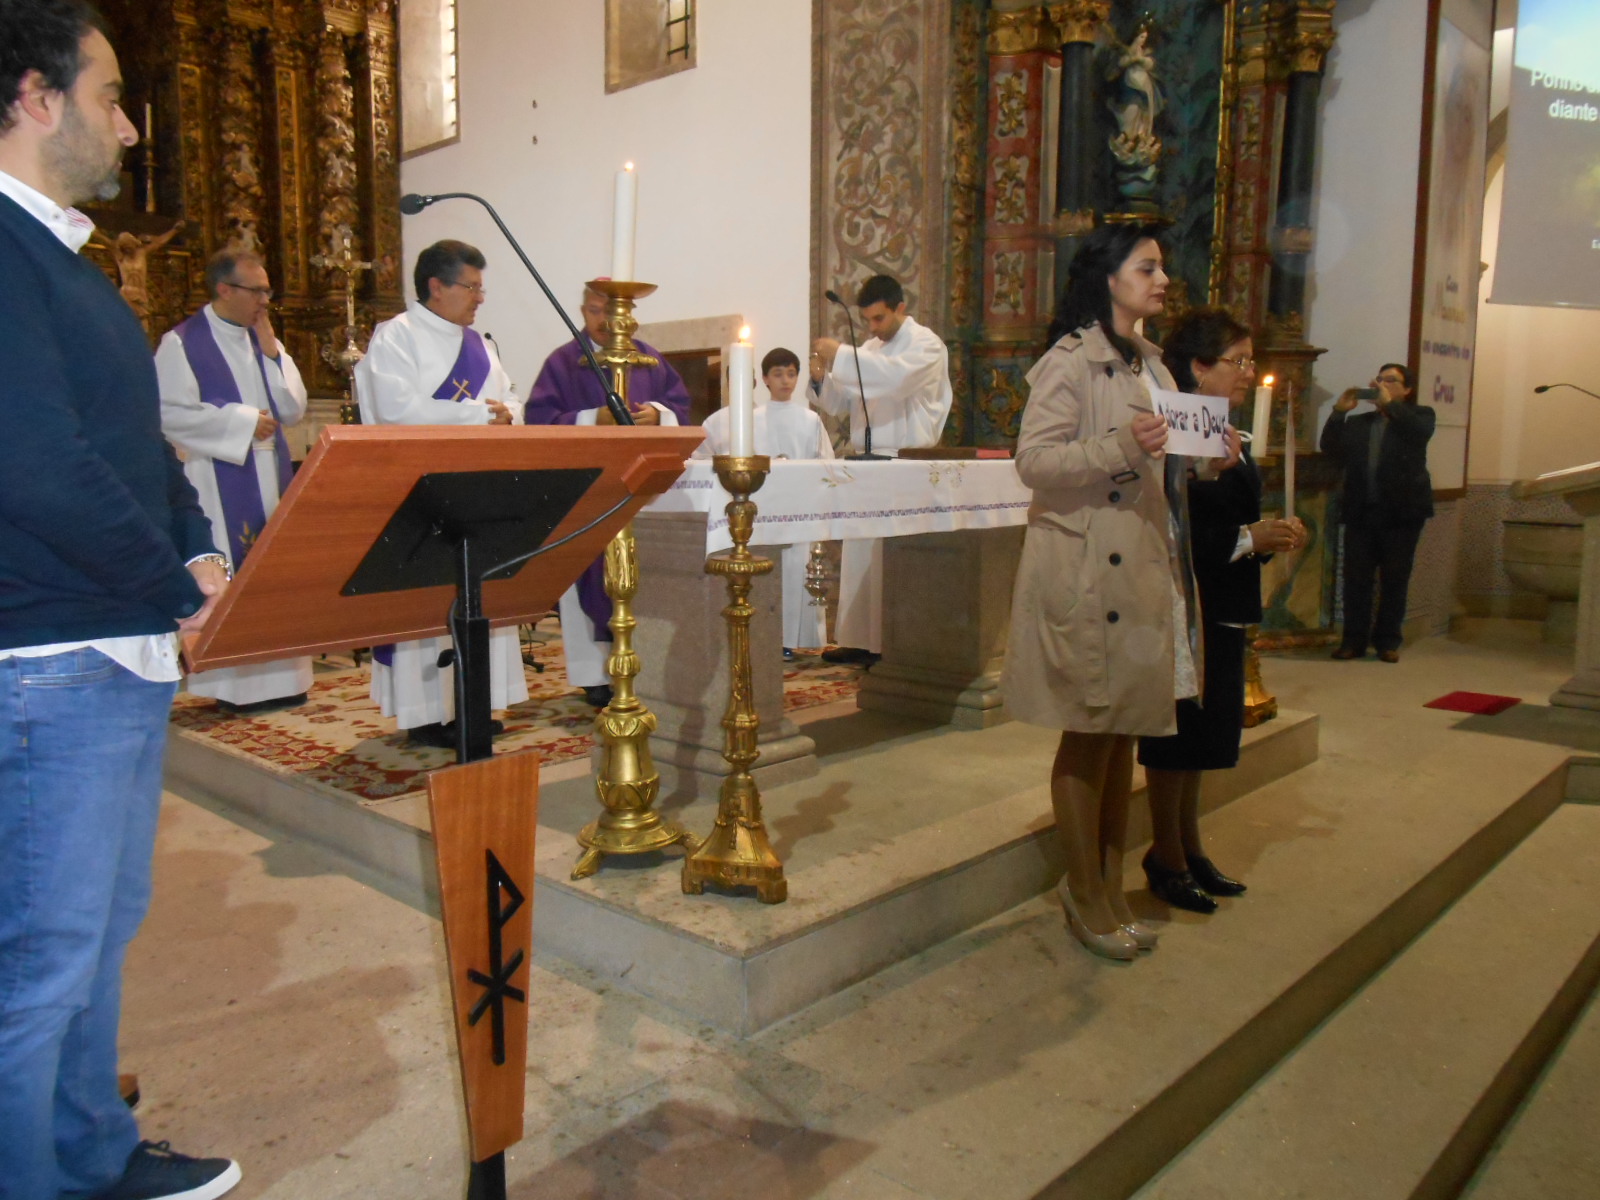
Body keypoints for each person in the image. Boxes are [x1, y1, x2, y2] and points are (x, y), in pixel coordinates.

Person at [0, 3, 241, 1196]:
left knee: (96, 934)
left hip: (113, 643)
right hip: (52, 655)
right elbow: (37, 465)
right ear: (36, 98)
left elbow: (136, 446)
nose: (131, 127)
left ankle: (91, 1156)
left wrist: (195, 550)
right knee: (42, 965)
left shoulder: (63, 259)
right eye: (108, 96)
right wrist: (167, 585)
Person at [1000, 222, 1198, 963]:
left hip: (1140, 560)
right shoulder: (1071, 360)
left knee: (1121, 734)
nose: (1162, 280)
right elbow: (1034, 461)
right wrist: (1120, 447)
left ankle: (1110, 888)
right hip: (1087, 568)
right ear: (1109, 277)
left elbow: (1161, 459)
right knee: (1089, 733)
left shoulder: (1152, 362)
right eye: (1147, 267)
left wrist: (1205, 457)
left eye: (1162, 268)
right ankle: (1083, 892)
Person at [1137, 309, 1305, 913]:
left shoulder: (1225, 432)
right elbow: (1172, 530)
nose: (1249, 372)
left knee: (1205, 739)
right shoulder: (1176, 434)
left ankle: (1189, 846)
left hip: (1225, 600)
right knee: (1177, 737)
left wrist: (1269, 536)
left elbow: (1234, 517)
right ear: (1199, 367)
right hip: (1187, 600)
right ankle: (1166, 854)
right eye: (1239, 360)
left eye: (1251, 361)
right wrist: (1248, 538)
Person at [354, 239, 528, 747]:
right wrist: (478, 415)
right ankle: (426, 712)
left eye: (480, 288)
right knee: (426, 592)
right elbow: (396, 410)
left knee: (478, 589)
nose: (480, 298)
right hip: (420, 490)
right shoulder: (396, 337)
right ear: (436, 286)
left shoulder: (481, 346)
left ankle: (475, 702)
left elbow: (510, 399)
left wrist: (507, 414)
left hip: (478, 487)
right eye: (471, 287)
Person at [156, 248, 311, 712]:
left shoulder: (260, 340)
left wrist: (271, 349)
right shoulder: (181, 344)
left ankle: (285, 680)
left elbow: (292, 409)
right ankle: (234, 687)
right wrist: (242, 422)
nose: (265, 300)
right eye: (256, 291)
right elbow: (168, 413)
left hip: (272, 476)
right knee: (233, 570)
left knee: (275, 575)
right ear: (224, 289)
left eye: (267, 290)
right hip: (216, 477)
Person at [524, 283, 689, 708]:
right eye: (596, 310)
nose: (606, 321)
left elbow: (680, 408)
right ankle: (594, 676)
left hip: (640, 491)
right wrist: (589, 419)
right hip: (586, 492)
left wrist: (659, 415)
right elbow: (538, 421)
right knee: (586, 576)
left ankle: (642, 663)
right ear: (583, 311)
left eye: (613, 311)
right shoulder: (564, 362)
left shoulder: (649, 358)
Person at [809, 274, 953, 663]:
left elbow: (893, 380)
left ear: (900, 308)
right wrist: (821, 378)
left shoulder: (926, 345)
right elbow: (841, 402)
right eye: (867, 320)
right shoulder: (870, 350)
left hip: (905, 461)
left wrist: (840, 354)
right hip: (867, 461)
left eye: (879, 318)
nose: (872, 328)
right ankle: (858, 640)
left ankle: (892, 642)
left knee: (890, 556)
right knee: (861, 552)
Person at [696, 347, 834, 655]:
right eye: (778, 374)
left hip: (798, 509)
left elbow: (826, 464)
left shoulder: (811, 420)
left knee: (797, 571)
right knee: (771, 574)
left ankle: (798, 639)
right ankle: (773, 639)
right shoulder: (750, 420)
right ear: (765, 379)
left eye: (792, 374)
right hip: (763, 511)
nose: (785, 381)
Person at [1321, 363, 1435, 663]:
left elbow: (1419, 432)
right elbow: (1331, 448)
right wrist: (1339, 412)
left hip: (1402, 514)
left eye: (1391, 380)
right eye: (1379, 379)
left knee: (1394, 578)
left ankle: (1387, 641)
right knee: (1356, 579)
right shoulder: (1359, 423)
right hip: (1362, 511)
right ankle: (1353, 641)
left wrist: (1390, 406)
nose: (1381, 384)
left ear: (1407, 389)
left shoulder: (1420, 416)